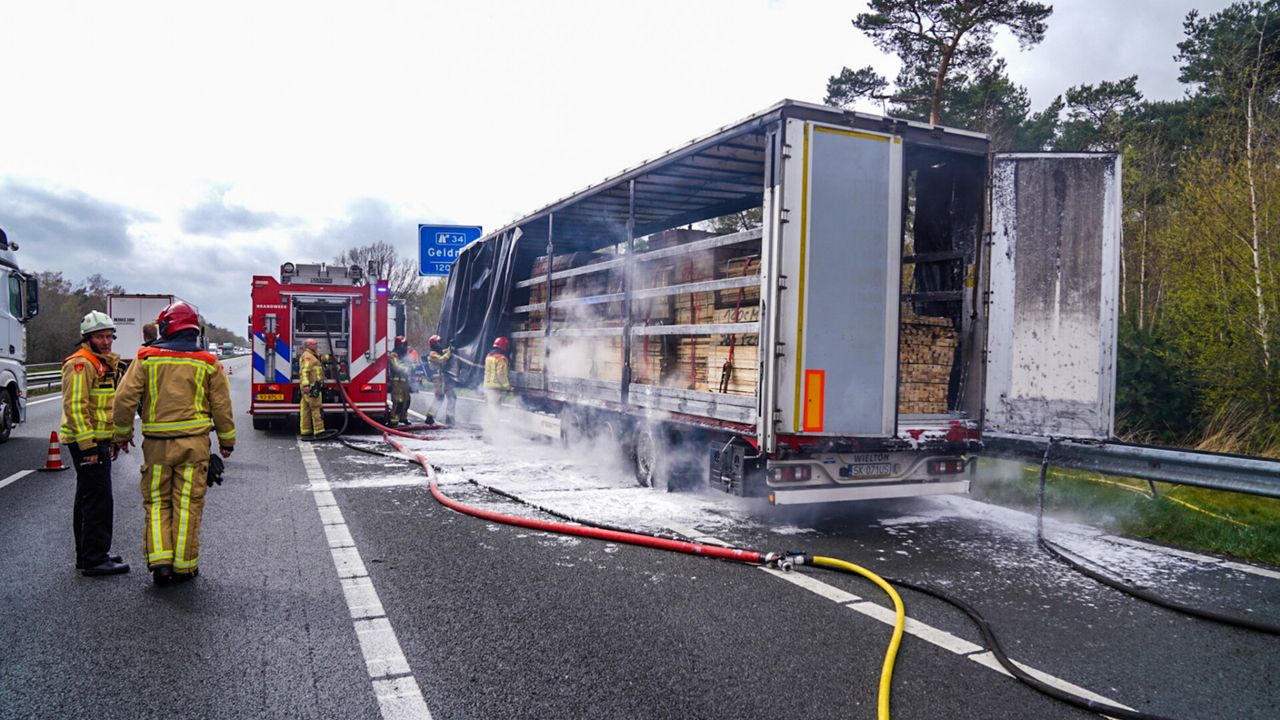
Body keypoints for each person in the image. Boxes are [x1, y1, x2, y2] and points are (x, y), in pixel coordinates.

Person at [111, 301, 235, 586]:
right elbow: (221, 406)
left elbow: (124, 399)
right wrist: (227, 440)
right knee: (187, 504)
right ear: (194, 330)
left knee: (157, 503)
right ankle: (185, 566)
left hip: (156, 446)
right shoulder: (208, 363)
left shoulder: (146, 358)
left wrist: (121, 434)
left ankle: (160, 564)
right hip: (194, 446)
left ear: (166, 327)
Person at [62, 311, 129, 577]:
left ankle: (89, 553)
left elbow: (105, 407)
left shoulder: (100, 363)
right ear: (87, 338)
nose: (106, 341)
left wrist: (110, 438)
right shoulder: (81, 364)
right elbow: (76, 408)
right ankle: (94, 558)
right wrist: (88, 446)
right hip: (87, 443)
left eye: (109, 336)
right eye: (100, 337)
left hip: (97, 440)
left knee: (89, 498)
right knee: (98, 501)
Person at [425, 334, 457, 425]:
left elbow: (445, 351)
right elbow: (442, 359)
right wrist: (450, 352)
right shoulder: (433, 354)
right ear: (435, 344)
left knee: (452, 396)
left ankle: (450, 417)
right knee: (439, 397)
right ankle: (430, 416)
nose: (440, 344)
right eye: (438, 342)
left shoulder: (438, 351)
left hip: (444, 378)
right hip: (438, 378)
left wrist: (451, 347)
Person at [298, 338, 325, 438]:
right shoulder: (308, 357)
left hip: (310, 387)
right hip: (312, 387)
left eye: (316, 343)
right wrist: (306, 385)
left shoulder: (312, 355)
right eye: (314, 344)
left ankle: (306, 430)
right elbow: (304, 372)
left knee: (305, 409)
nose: (316, 345)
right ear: (308, 345)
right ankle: (319, 431)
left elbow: (319, 360)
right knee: (316, 408)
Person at [387, 335, 412, 426]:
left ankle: (403, 418)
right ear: (399, 345)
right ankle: (394, 420)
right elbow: (396, 366)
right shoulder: (394, 355)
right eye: (403, 344)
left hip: (405, 381)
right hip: (397, 382)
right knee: (398, 401)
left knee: (407, 400)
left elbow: (409, 364)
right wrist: (407, 368)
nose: (405, 346)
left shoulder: (405, 355)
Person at [483, 336, 512, 409]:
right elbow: (500, 374)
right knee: (496, 409)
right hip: (495, 388)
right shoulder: (501, 358)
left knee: (489, 408)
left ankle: (487, 420)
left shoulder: (489, 356)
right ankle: (494, 421)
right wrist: (507, 387)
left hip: (486, 386)